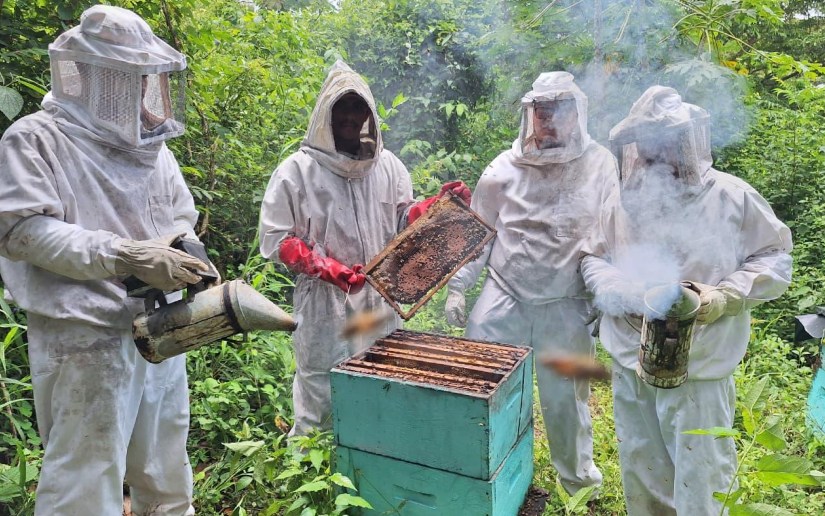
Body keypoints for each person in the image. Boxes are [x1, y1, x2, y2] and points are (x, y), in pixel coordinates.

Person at [0, 5, 211, 514]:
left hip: (161, 324)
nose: (141, 94)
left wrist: (186, 250)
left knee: (164, 467)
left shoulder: (153, 145)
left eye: (145, 80)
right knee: (85, 481)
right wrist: (124, 254)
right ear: (90, 74)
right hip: (83, 335)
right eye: (128, 79)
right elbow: (21, 231)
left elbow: (179, 212)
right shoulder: (34, 139)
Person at [580, 86, 792, 515]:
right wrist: (622, 291)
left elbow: (775, 258)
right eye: (652, 145)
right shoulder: (620, 199)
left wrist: (725, 296)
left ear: (693, 142)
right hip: (629, 355)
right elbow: (593, 257)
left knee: (702, 476)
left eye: (671, 143)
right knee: (642, 468)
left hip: (700, 363)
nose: (662, 156)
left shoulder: (733, 197)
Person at [259, 60, 470, 436]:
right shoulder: (296, 172)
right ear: (326, 112)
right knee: (320, 393)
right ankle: (308, 480)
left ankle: (370, 469)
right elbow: (276, 240)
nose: (351, 116)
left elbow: (405, 219)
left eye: (359, 107)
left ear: (369, 114)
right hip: (325, 304)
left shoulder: (388, 167)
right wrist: (326, 267)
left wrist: (435, 208)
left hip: (379, 295)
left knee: (379, 384)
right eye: (343, 106)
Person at [444, 71, 618, 496]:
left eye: (559, 111)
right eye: (542, 112)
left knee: (565, 402)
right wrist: (458, 285)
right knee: (480, 382)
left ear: (578, 114)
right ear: (530, 116)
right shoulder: (502, 169)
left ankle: (579, 489)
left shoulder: (600, 165)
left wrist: (607, 294)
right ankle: (478, 475)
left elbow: (613, 232)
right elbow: (478, 232)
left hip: (567, 300)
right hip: (505, 293)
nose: (550, 121)